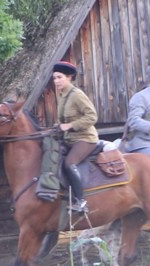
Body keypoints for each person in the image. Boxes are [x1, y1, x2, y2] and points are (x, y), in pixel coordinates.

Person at [53, 61, 99, 213]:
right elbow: (62, 120)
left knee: (69, 163)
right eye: (54, 78)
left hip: (85, 138)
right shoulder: (61, 95)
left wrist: (70, 125)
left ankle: (81, 202)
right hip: (70, 139)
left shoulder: (77, 95)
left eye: (60, 77)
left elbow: (92, 117)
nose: (56, 81)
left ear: (69, 77)